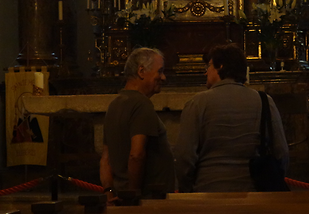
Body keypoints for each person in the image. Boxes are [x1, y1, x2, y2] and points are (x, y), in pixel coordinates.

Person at [174, 43, 288, 192]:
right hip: (253, 191)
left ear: (220, 66)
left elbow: (185, 156)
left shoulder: (197, 103)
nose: (205, 73)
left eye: (208, 67)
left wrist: (186, 188)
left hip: (208, 189)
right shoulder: (264, 101)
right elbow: (281, 152)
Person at [100, 47, 175, 198]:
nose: (164, 77)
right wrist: (132, 195)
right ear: (141, 71)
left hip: (123, 196)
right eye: (159, 71)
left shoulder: (115, 104)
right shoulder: (141, 104)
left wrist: (108, 191)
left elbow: (105, 158)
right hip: (148, 200)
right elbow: (137, 154)